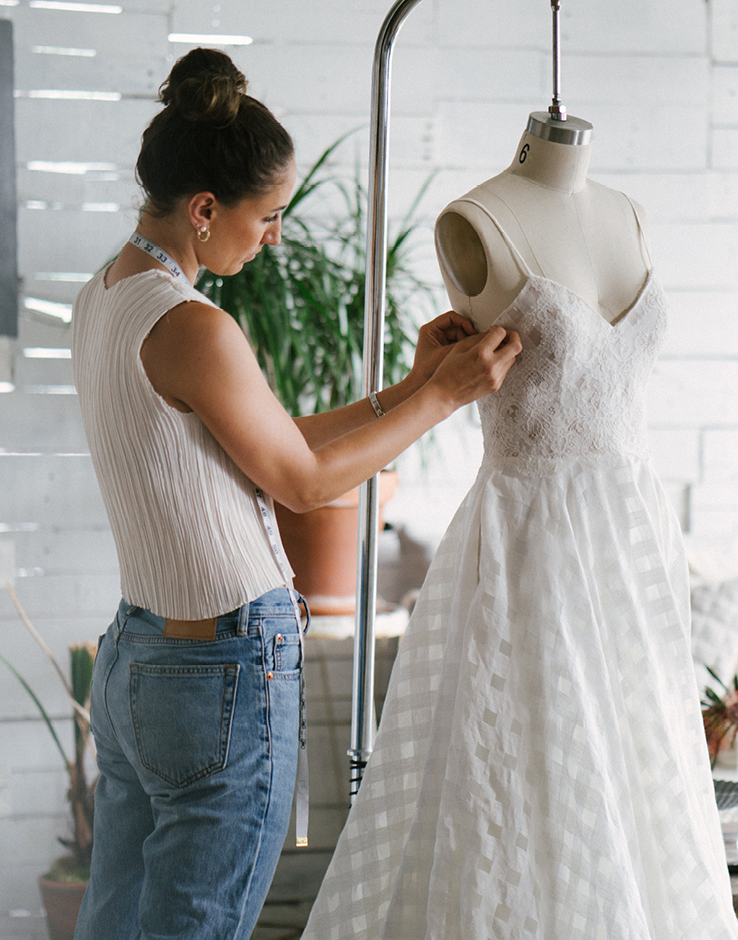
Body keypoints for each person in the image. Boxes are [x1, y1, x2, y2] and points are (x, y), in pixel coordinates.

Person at [70, 47, 521, 940]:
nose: (274, 236)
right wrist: (445, 397)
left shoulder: (106, 294)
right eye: (267, 216)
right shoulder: (190, 325)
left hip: (143, 660)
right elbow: (305, 485)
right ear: (205, 210)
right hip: (220, 672)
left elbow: (264, 445)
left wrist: (408, 382)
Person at [301, 108, 738, 938]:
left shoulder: (627, 214)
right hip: (530, 536)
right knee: (532, 777)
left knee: (641, 778)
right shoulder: (478, 222)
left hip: (631, 541)